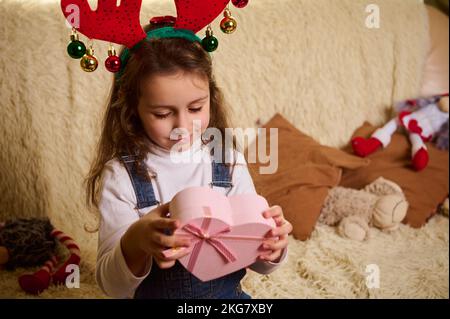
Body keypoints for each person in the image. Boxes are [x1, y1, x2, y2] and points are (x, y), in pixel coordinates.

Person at [85, 21, 292, 299]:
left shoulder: (227, 161)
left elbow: (258, 262)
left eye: (196, 108)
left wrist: (272, 246)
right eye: (161, 114)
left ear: (211, 98)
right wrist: (137, 240)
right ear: (132, 110)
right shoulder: (122, 175)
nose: (182, 125)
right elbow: (113, 286)